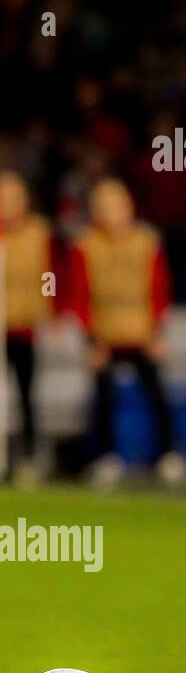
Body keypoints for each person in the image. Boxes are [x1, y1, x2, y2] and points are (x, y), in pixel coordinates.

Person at [67, 178, 186, 486]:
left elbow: (161, 289)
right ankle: (106, 457)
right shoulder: (85, 245)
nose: (111, 214)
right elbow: (78, 294)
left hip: (142, 333)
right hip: (104, 336)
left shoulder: (147, 241)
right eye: (103, 208)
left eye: (116, 206)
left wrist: (158, 332)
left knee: (156, 394)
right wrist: (91, 340)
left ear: (129, 207)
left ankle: (169, 454)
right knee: (103, 397)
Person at [0, 170, 54, 478]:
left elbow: (49, 275)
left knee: (26, 394)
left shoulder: (38, 233)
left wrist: (47, 306)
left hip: (23, 327)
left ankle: (30, 457)